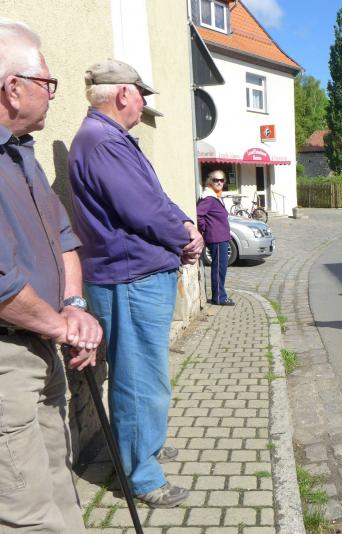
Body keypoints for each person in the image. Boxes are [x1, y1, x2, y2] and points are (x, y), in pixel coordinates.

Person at [68, 59, 205, 508]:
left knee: (147, 375)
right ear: (123, 94)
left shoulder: (110, 139)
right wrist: (184, 237)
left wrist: (185, 223)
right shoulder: (104, 142)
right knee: (138, 380)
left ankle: (147, 446)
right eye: (141, 94)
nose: (144, 104)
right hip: (129, 280)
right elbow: (143, 210)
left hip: (134, 276)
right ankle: (141, 476)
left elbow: (155, 198)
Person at [0, 18, 103, 532]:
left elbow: (63, 237)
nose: (53, 93)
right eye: (47, 82)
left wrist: (75, 306)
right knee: (28, 513)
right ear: (12, 88)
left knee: (60, 484)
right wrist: (63, 326)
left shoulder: (22, 153)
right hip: (7, 358)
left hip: (43, 342)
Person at [197, 170, 234, 306]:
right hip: (216, 238)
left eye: (221, 180)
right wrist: (206, 229)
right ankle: (219, 297)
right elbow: (199, 215)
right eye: (215, 180)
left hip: (221, 238)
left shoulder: (216, 197)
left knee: (221, 268)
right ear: (210, 181)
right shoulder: (209, 198)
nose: (219, 182)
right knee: (219, 268)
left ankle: (220, 295)